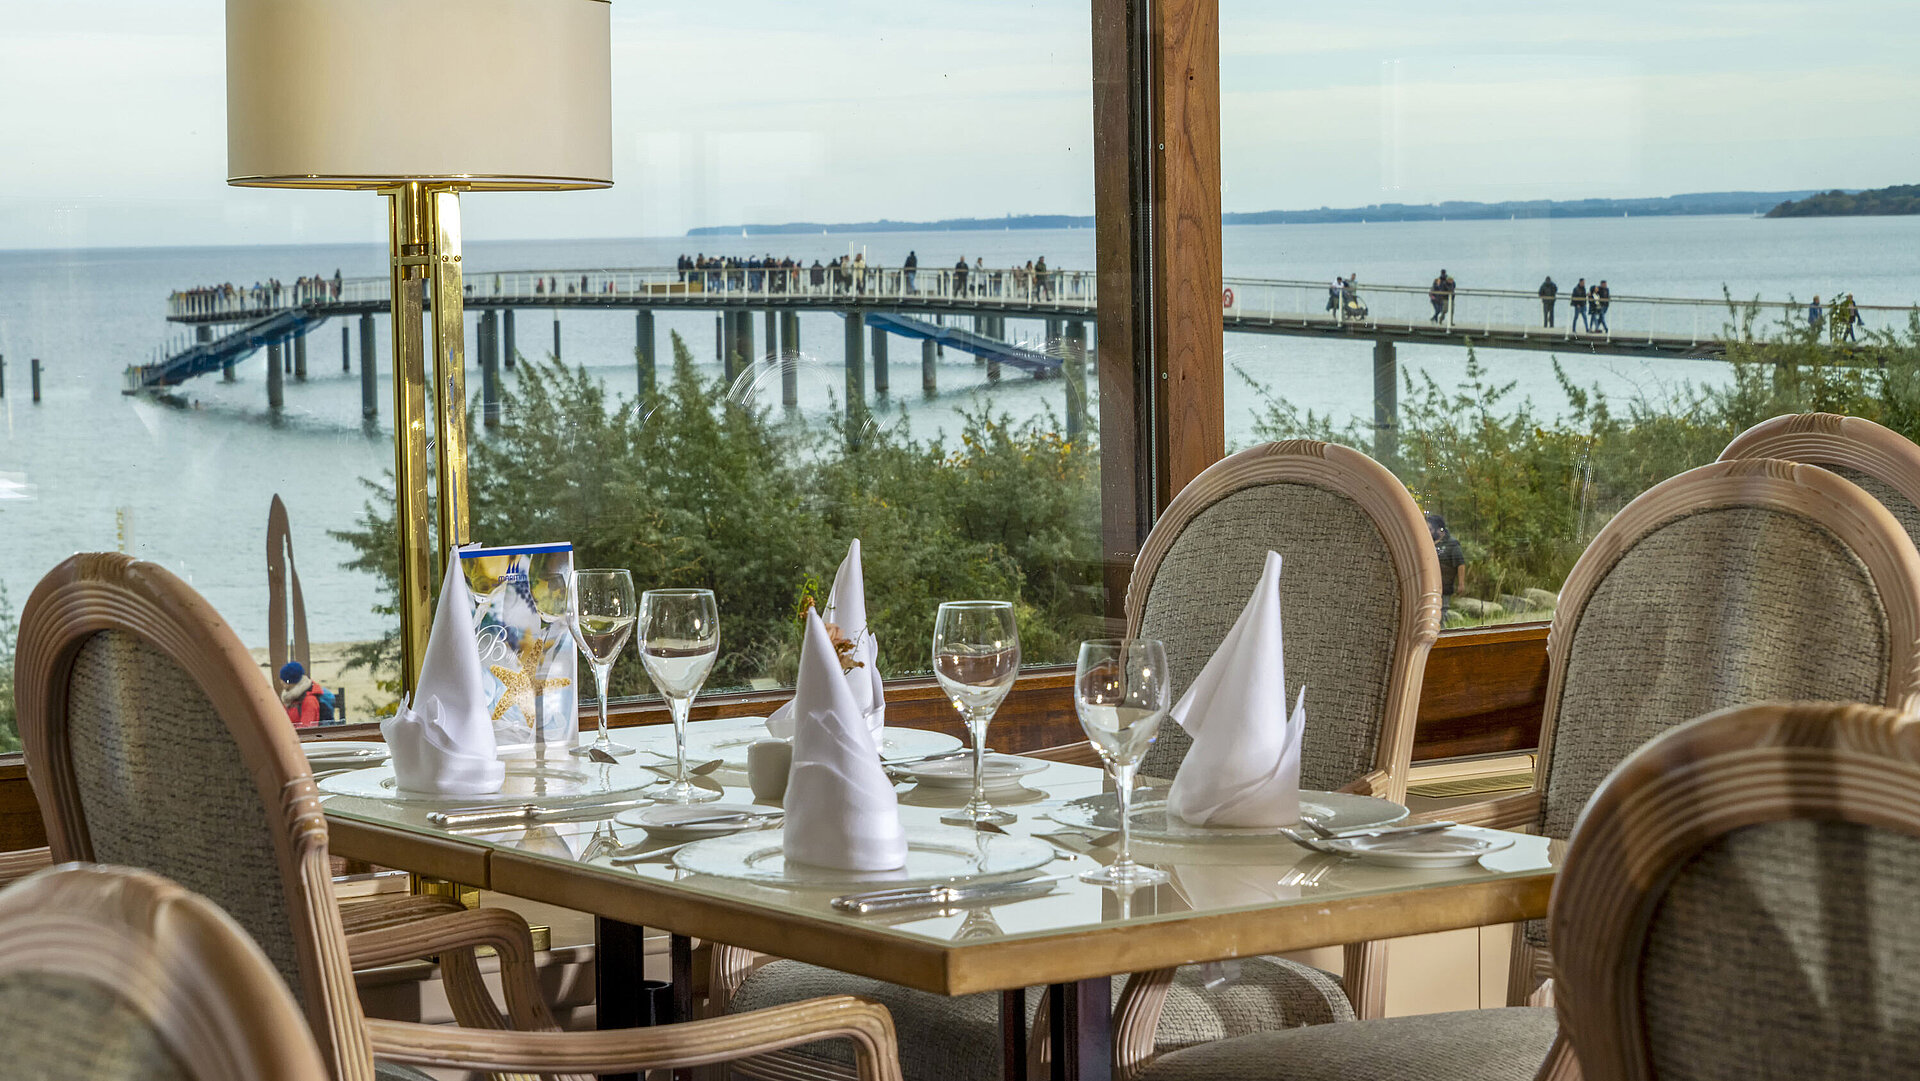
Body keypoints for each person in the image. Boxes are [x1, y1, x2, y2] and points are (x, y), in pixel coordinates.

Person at [1427, 513, 1466, 618]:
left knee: (1441, 615)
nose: (1428, 532)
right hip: (1429, 586)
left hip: (1444, 586)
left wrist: (1461, 584)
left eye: (1430, 529)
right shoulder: (1428, 541)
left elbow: (1460, 563)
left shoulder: (1452, 544)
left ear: (1439, 529)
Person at [278, 662, 327, 728]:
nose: (281, 682)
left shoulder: (309, 700)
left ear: (291, 682)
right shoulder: (290, 697)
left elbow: (306, 730)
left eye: (284, 680)